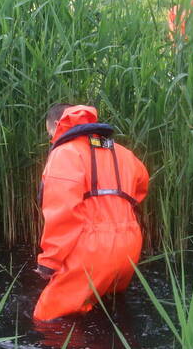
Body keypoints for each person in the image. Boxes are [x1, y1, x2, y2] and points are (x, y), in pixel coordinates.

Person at [34, 104, 149, 322]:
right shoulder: (123, 152)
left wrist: (48, 262)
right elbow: (141, 188)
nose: (51, 139)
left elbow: (64, 214)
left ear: (58, 125)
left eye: (50, 133)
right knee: (109, 308)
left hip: (92, 249)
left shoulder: (65, 153)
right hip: (130, 244)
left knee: (47, 319)